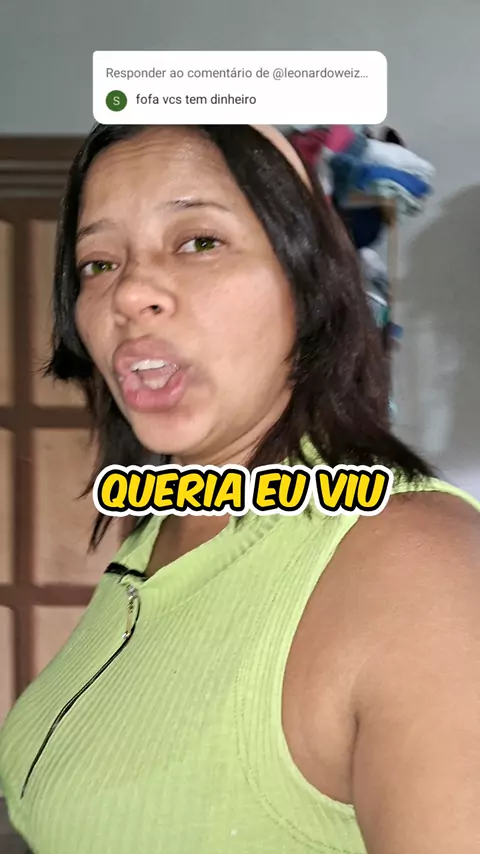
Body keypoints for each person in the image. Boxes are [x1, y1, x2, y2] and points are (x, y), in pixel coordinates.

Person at [0, 123, 479, 854]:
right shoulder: (162, 530)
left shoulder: (422, 566)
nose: (129, 292)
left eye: (200, 241)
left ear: (307, 284)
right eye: (98, 263)